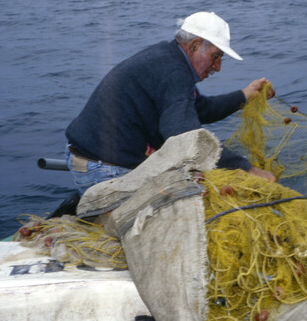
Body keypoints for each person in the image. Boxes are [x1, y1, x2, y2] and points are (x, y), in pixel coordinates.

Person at [65, 11, 276, 195]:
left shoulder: (168, 59)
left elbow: (201, 109)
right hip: (102, 168)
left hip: (92, 156)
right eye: (216, 56)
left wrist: (245, 95)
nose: (218, 67)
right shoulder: (174, 72)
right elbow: (186, 138)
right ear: (194, 46)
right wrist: (247, 169)